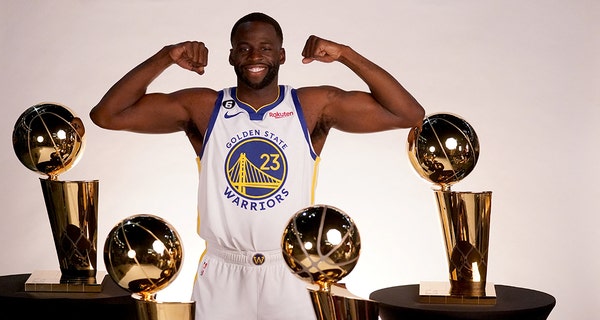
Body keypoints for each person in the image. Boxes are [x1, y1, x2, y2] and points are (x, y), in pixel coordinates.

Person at [90, 12, 424, 320]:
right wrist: (166, 56)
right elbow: (107, 115)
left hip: (292, 270)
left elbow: (407, 114)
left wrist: (346, 54)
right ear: (232, 56)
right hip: (223, 270)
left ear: (281, 56)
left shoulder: (309, 106)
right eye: (245, 48)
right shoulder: (205, 107)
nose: (254, 56)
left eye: (266, 48)